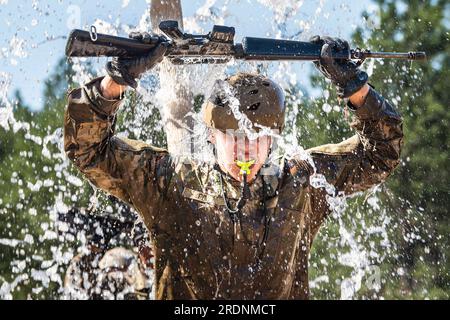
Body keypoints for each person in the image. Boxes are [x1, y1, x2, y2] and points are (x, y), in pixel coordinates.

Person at [64, 33, 403, 299]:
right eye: (234, 137)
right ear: (211, 135)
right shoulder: (171, 182)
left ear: (273, 139)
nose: (247, 149)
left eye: (259, 138)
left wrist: (355, 88)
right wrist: (116, 81)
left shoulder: (300, 184)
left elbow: (380, 155)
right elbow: (88, 151)